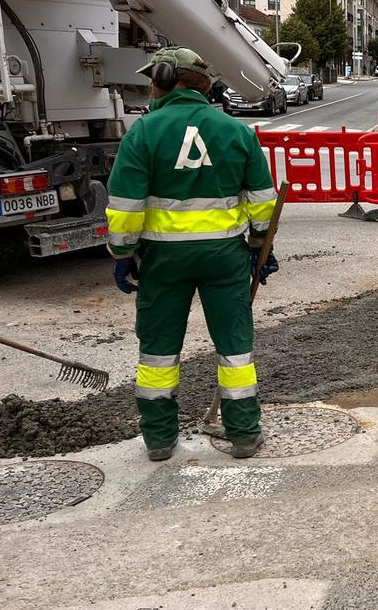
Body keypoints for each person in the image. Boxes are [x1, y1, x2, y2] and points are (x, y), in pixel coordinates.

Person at [105, 47, 279, 462]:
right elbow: (262, 201)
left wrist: (122, 254)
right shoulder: (236, 131)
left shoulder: (143, 132)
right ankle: (243, 434)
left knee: (159, 349)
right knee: (235, 346)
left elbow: (126, 205)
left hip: (164, 260)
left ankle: (160, 439)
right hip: (225, 257)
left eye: (153, 79)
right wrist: (261, 248)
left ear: (164, 80)